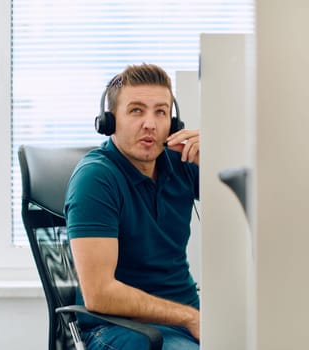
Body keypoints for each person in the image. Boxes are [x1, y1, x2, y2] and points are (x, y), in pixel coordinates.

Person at [65, 63, 200, 350]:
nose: (150, 123)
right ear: (110, 122)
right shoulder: (96, 177)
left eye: (161, 112)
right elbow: (99, 293)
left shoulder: (183, 164)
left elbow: (262, 213)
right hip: (118, 328)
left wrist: (220, 159)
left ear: (174, 124)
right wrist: (190, 317)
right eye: (137, 110)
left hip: (188, 324)